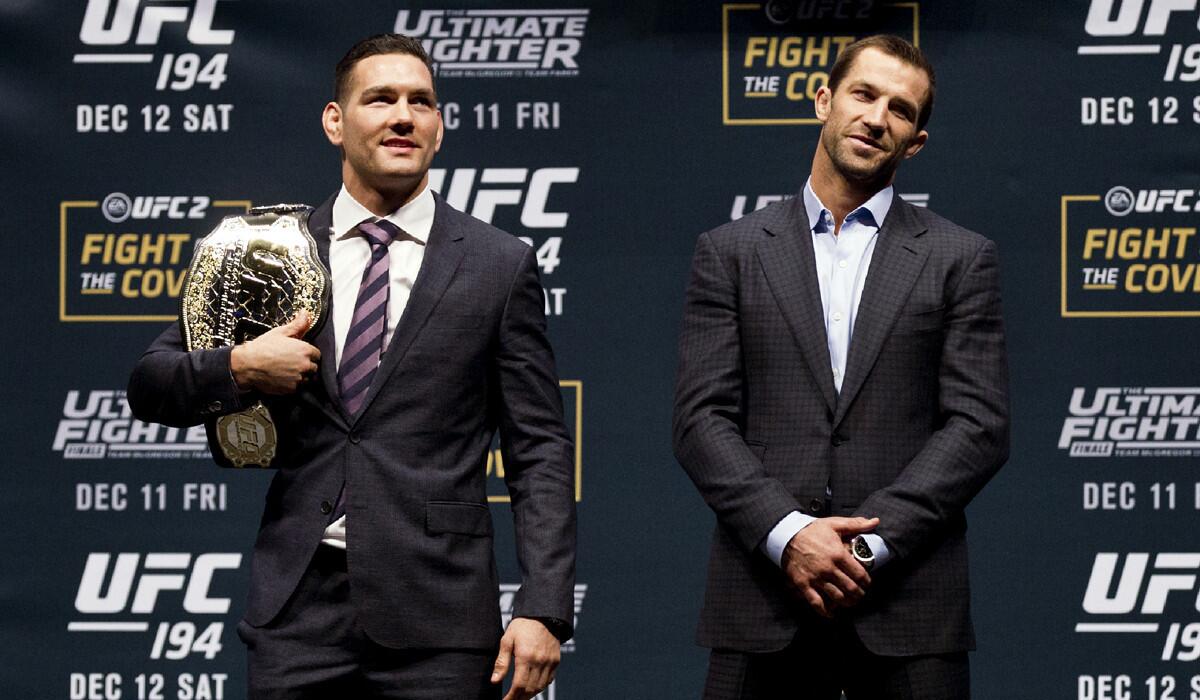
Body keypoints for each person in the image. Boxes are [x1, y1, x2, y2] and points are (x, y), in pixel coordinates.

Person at [128, 33, 576, 700]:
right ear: (335, 121)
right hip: (297, 614)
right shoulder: (267, 250)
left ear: (440, 126)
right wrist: (241, 366)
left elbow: (538, 448)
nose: (403, 116)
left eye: (421, 102)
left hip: (439, 621)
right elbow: (150, 385)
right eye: (380, 99)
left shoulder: (497, 263)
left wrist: (542, 606)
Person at [672, 35, 1009, 699]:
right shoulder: (731, 253)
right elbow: (699, 418)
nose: (877, 116)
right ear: (824, 100)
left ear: (915, 142)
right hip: (762, 603)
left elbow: (979, 426)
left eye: (901, 110)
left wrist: (866, 547)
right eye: (863, 93)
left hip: (909, 608)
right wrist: (789, 533)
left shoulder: (961, 258)